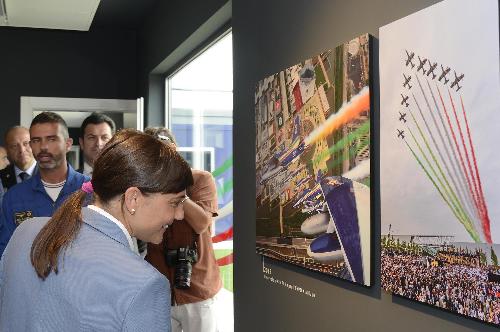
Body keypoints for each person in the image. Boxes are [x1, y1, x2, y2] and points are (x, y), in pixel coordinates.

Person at [0, 129, 194, 331]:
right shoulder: (145, 284)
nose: (180, 214)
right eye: (175, 202)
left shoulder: (26, 231)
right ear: (133, 199)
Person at [145, 127, 222, 332]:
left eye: (166, 151)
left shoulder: (200, 179)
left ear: (175, 150)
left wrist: (176, 187)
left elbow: (202, 223)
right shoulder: (142, 188)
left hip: (197, 287)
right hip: (159, 292)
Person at [0, 112, 89, 257]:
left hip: (80, 278)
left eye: (51, 139)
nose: (43, 147)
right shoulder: (14, 197)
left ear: (68, 144)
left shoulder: (91, 190)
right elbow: (6, 254)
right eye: (36, 140)